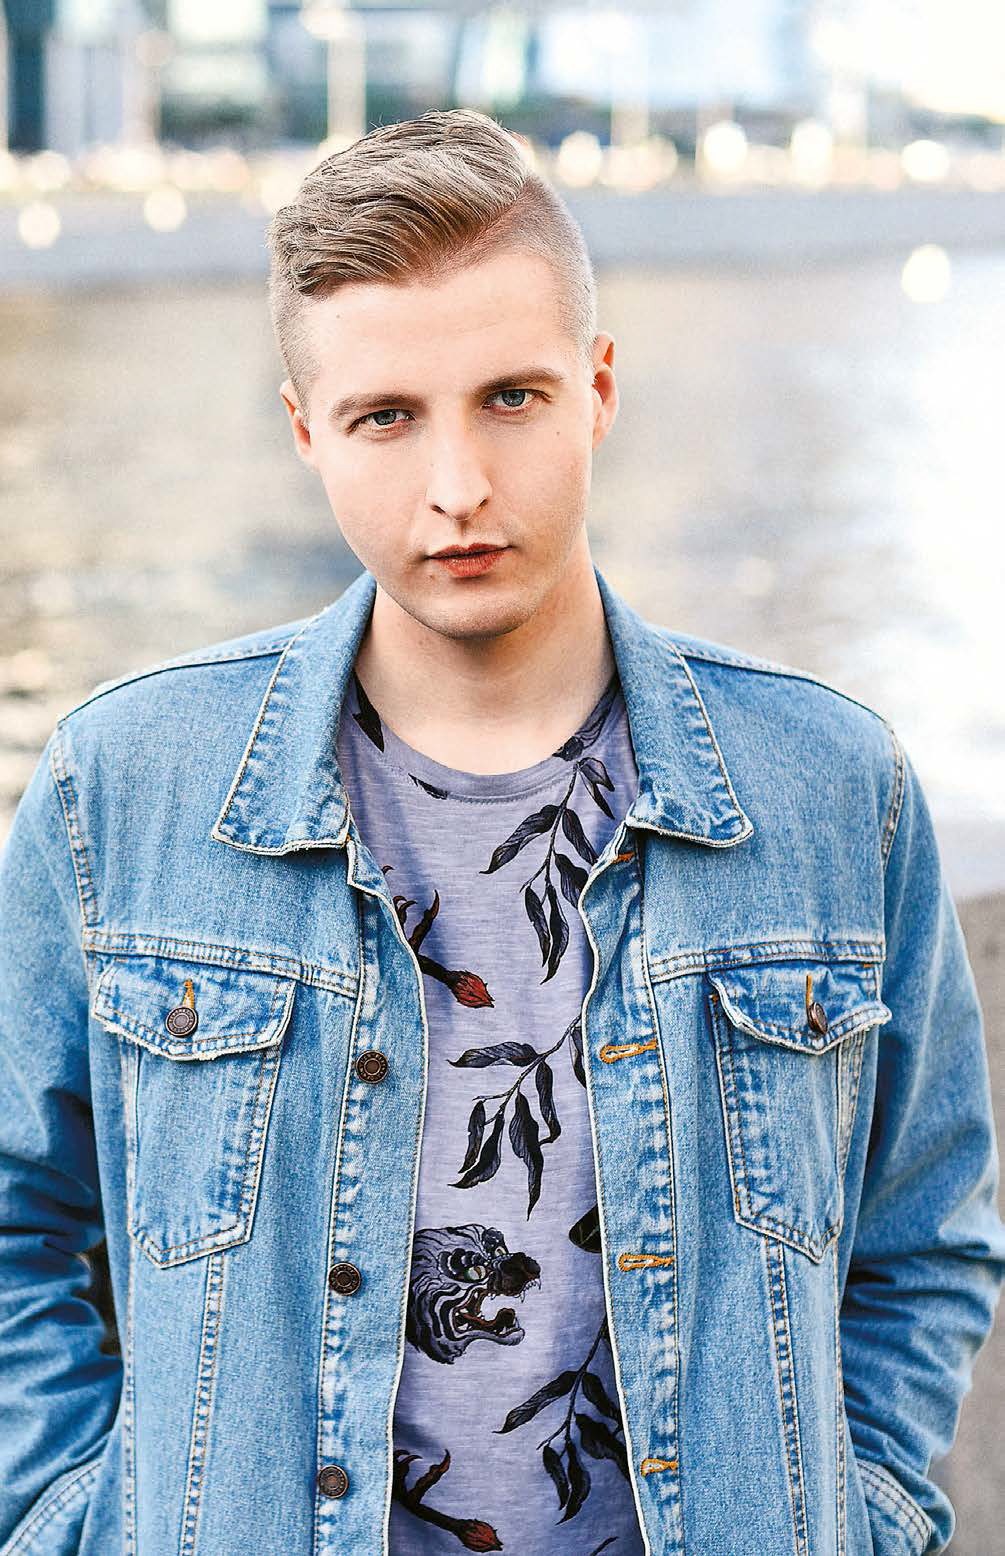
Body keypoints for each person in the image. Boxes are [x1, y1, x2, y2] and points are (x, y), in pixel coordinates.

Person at [0, 107, 1002, 1556]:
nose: (458, 486)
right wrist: (73, 1522)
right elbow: (14, 1220)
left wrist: (865, 1515)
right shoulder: (125, 786)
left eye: (512, 398)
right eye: (386, 417)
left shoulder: (831, 788)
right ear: (305, 431)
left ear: (599, 390)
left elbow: (926, 1234)